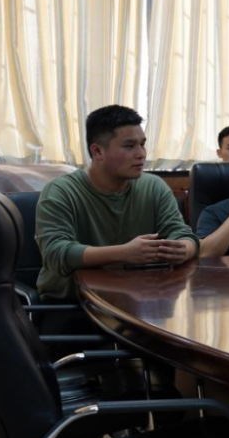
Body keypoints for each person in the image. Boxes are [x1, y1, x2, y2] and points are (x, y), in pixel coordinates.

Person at [35, 105, 199, 302]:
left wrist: (184, 249)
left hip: (140, 301)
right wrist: (123, 253)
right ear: (97, 151)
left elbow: (183, 235)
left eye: (142, 144)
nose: (141, 154)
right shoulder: (60, 191)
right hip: (73, 305)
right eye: (129, 146)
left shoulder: (154, 186)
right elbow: (55, 253)